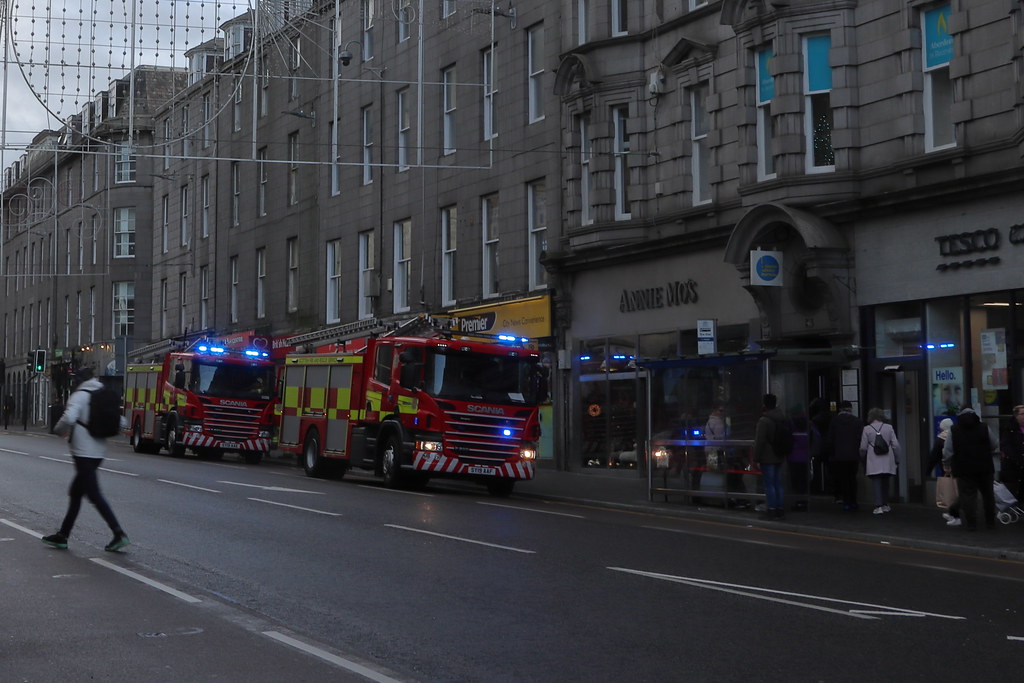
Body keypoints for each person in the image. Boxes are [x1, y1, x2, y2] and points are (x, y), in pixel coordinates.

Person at [41, 367, 130, 552]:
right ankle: (62, 536)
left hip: (83, 452)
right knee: (75, 493)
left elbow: (70, 417)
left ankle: (118, 533)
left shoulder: (79, 396)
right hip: (98, 452)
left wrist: (57, 430)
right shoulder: (103, 393)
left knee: (94, 494)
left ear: (79, 380)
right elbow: (122, 422)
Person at [943, 407, 998, 531]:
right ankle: (990, 522)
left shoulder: (954, 430)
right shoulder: (984, 427)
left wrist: (946, 464)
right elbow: (994, 444)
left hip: (964, 468)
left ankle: (971, 523)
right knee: (988, 495)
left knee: (968, 496)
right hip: (985, 467)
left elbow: (948, 451)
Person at [754, 393, 789, 520]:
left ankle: (772, 509)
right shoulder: (781, 417)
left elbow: (760, 441)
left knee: (769, 484)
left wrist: (756, 457)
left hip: (767, 456)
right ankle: (779, 508)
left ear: (765, 405)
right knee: (778, 483)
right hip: (779, 454)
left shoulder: (764, 421)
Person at [860, 408, 901, 515]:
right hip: (888, 459)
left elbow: (863, 447)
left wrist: (862, 457)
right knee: (886, 482)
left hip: (873, 459)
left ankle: (878, 506)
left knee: (876, 481)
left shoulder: (867, 429)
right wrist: (897, 459)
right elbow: (895, 445)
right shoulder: (889, 427)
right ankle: (885, 504)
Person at [826, 401, 862, 511]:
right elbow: (860, 438)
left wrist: (831, 454)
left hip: (839, 456)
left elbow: (830, 439)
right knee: (852, 479)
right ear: (850, 409)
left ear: (840, 409)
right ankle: (854, 502)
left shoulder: (834, 421)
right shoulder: (857, 421)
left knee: (843, 479)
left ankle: (846, 502)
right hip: (853, 455)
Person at [927, 418, 960, 526]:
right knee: (958, 492)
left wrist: (928, 471)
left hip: (948, 469)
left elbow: (934, 456)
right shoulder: (958, 435)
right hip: (961, 468)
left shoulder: (941, 439)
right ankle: (953, 513)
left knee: (949, 493)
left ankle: (954, 515)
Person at [999, 405, 1024, 505]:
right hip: (1014, 465)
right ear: (1016, 416)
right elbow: (1006, 446)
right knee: (1014, 488)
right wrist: (1017, 459)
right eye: (1022, 414)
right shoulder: (1009, 429)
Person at [788, 413, 810, 511]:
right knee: (803, 481)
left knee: (795, 481)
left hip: (793, 457)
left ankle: (798, 501)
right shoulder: (808, 429)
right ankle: (804, 501)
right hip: (805, 457)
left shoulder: (792, 428)